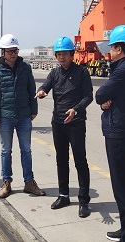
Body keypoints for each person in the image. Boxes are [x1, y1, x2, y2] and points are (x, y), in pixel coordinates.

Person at [36, 36, 93, 218]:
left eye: (65, 54)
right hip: (58, 122)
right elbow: (46, 85)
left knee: (80, 160)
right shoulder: (54, 73)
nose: (61, 57)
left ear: (72, 54)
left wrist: (75, 110)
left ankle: (84, 200)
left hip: (76, 123)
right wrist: (42, 91)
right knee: (61, 159)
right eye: (58, 54)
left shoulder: (82, 72)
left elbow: (88, 96)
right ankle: (64, 195)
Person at [95, 25, 125, 242]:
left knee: (124, 189)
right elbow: (107, 97)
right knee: (123, 187)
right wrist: (108, 101)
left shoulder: (123, 70)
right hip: (123, 134)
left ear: (120, 49)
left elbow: (100, 94)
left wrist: (106, 99)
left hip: (121, 137)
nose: (110, 51)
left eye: (112, 47)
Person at [0, 33, 45, 198]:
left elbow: (31, 89)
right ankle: (6, 182)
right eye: (10, 51)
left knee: (26, 150)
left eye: (15, 51)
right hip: (5, 117)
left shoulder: (25, 68)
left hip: (24, 116)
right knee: (6, 151)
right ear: (3, 52)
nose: (13, 54)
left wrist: (33, 110)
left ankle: (29, 182)